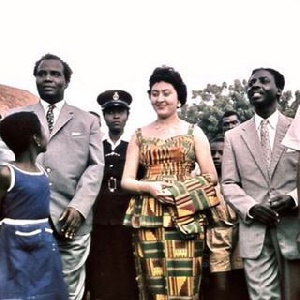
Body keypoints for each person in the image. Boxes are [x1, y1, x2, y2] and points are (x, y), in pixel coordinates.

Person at [0, 53, 105, 300]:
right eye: (42, 73)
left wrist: (79, 208)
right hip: (23, 224)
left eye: (55, 74)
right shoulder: (16, 117)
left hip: (70, 222)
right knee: (21, 291)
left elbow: (95, 167)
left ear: (66, 82)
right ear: (35, 78)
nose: (48, 78)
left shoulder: (87, 121)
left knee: (67, 292)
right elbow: (5, 160)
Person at [121, 66, 219, 299]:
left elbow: (211, 176)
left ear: (179, 98)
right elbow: (126, 180)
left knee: (184, 284)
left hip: (186, 214)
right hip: (148, 214)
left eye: (166, 93)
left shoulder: (193, 132)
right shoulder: (139, 135)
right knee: (152, 283)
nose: (160, 99)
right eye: (155, 93)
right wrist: (150, 187)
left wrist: (178, 192)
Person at [222, 67, 300, 300]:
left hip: (293, 231)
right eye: (251, 82)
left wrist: (293, 198)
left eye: (264, 81)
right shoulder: (233, 136)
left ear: (279, 91)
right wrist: (251, 207)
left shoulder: (297, 129)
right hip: (254, 234)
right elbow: (228, 182)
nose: (255, 85)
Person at [0, 111, 67, 299]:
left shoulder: (41, 171)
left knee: (46, 292)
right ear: (37, 139)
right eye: (44, 132)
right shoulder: (7, 173)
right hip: (13, 247)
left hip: (44, 245)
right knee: (15, 292)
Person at [86, 90, 139, 300]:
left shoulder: (134, 146)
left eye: (120, 111)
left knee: (126, 271)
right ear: (104, 116)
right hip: (98, 218)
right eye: (110, 112)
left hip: (126, 218)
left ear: (127, 115)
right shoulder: (96, 146)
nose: (115, 116)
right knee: (100, 271)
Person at [202, 135, 249, 300]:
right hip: (216, 237)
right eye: (212, 153)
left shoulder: (240, 180)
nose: (216, 157)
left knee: (240, 283)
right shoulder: (203, 183)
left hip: (241, 236)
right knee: (220, 287)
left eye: (221, 153)